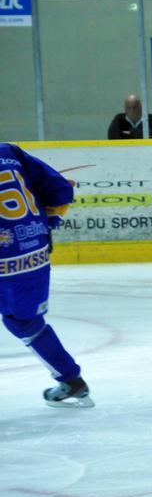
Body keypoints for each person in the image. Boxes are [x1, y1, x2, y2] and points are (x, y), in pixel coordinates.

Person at [0, 144, 94, 407]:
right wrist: (46, 223)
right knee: (26, 323)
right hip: (34, 255)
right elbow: (61, 189)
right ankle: (72, 380)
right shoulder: (8, 152)